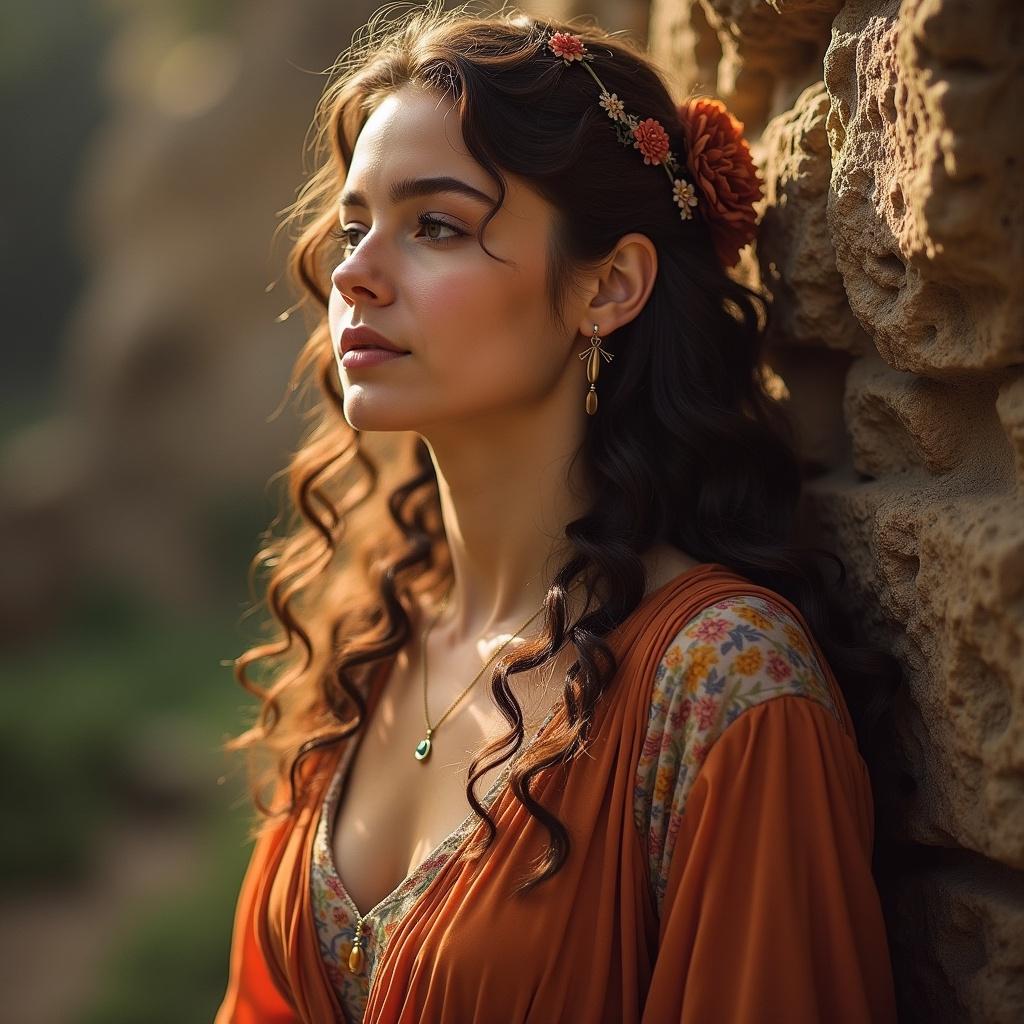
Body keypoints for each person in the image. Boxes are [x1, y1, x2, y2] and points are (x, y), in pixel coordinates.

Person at [214, 3, 901, 1021]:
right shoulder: (372, 633)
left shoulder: (724, 688)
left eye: (435, 226)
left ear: (608, 285)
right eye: (354, 225)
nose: (353, 272)